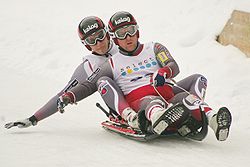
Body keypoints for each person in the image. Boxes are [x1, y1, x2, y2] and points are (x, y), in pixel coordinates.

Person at [65, 11, 232, 141]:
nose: (127, 37)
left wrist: (164, 71)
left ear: (138, 31)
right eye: (121, 34)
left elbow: (172, 65)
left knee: (193, 88)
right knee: (107, 84)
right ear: (115, 39)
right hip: (140, 100)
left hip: (167, 94)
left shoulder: (154, 48)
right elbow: (89, 85)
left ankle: (211, 119)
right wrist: (69, 96)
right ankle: (152, 118)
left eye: (130, 31)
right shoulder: (112, 63)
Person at [4, 16, 119, 129]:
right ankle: (123, 114)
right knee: (104, 81)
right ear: (86, 44)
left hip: (136, 90)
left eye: (100, 36)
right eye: (91, 40)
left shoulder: (123, 42)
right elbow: (62, 95)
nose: (99, 43)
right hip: (120, 101)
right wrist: (33, 119)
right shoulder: (88, 67)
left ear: (107, 34)